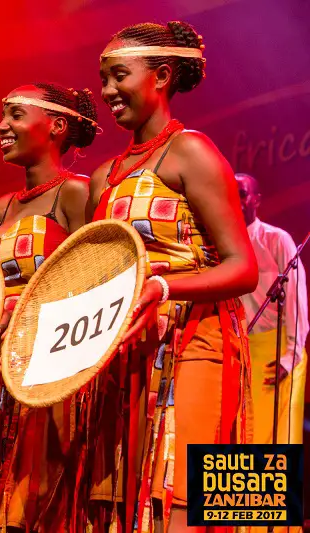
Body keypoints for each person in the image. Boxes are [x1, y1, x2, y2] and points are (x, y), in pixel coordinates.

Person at [87, 21, 258, 533]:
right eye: (103, 79)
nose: (107, 91)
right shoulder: (104, 176)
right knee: (119, 501)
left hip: (194, 344)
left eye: (119, 76)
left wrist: (164, 286)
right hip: (126, 352)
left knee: (184, 501)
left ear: (162, 76)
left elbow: (242, 266)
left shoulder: (191, 151)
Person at [0, 82, 97, 531]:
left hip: (53, 365)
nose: (1, 125)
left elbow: (93, 279)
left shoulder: (76, 193)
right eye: (2, 114)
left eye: (14, 115)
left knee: (46, 495)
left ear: (57, 126)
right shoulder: (1, 207)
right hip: (1, 368)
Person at [236, 173, 307, 446]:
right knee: (242, 435)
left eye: (242, 193)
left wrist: (290, 356)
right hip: (241, 349)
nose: (236, 200)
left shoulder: (276, 239)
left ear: (256, 199)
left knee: (273, 437)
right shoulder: (220, 243)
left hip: (277, 350)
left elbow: (295, 300)